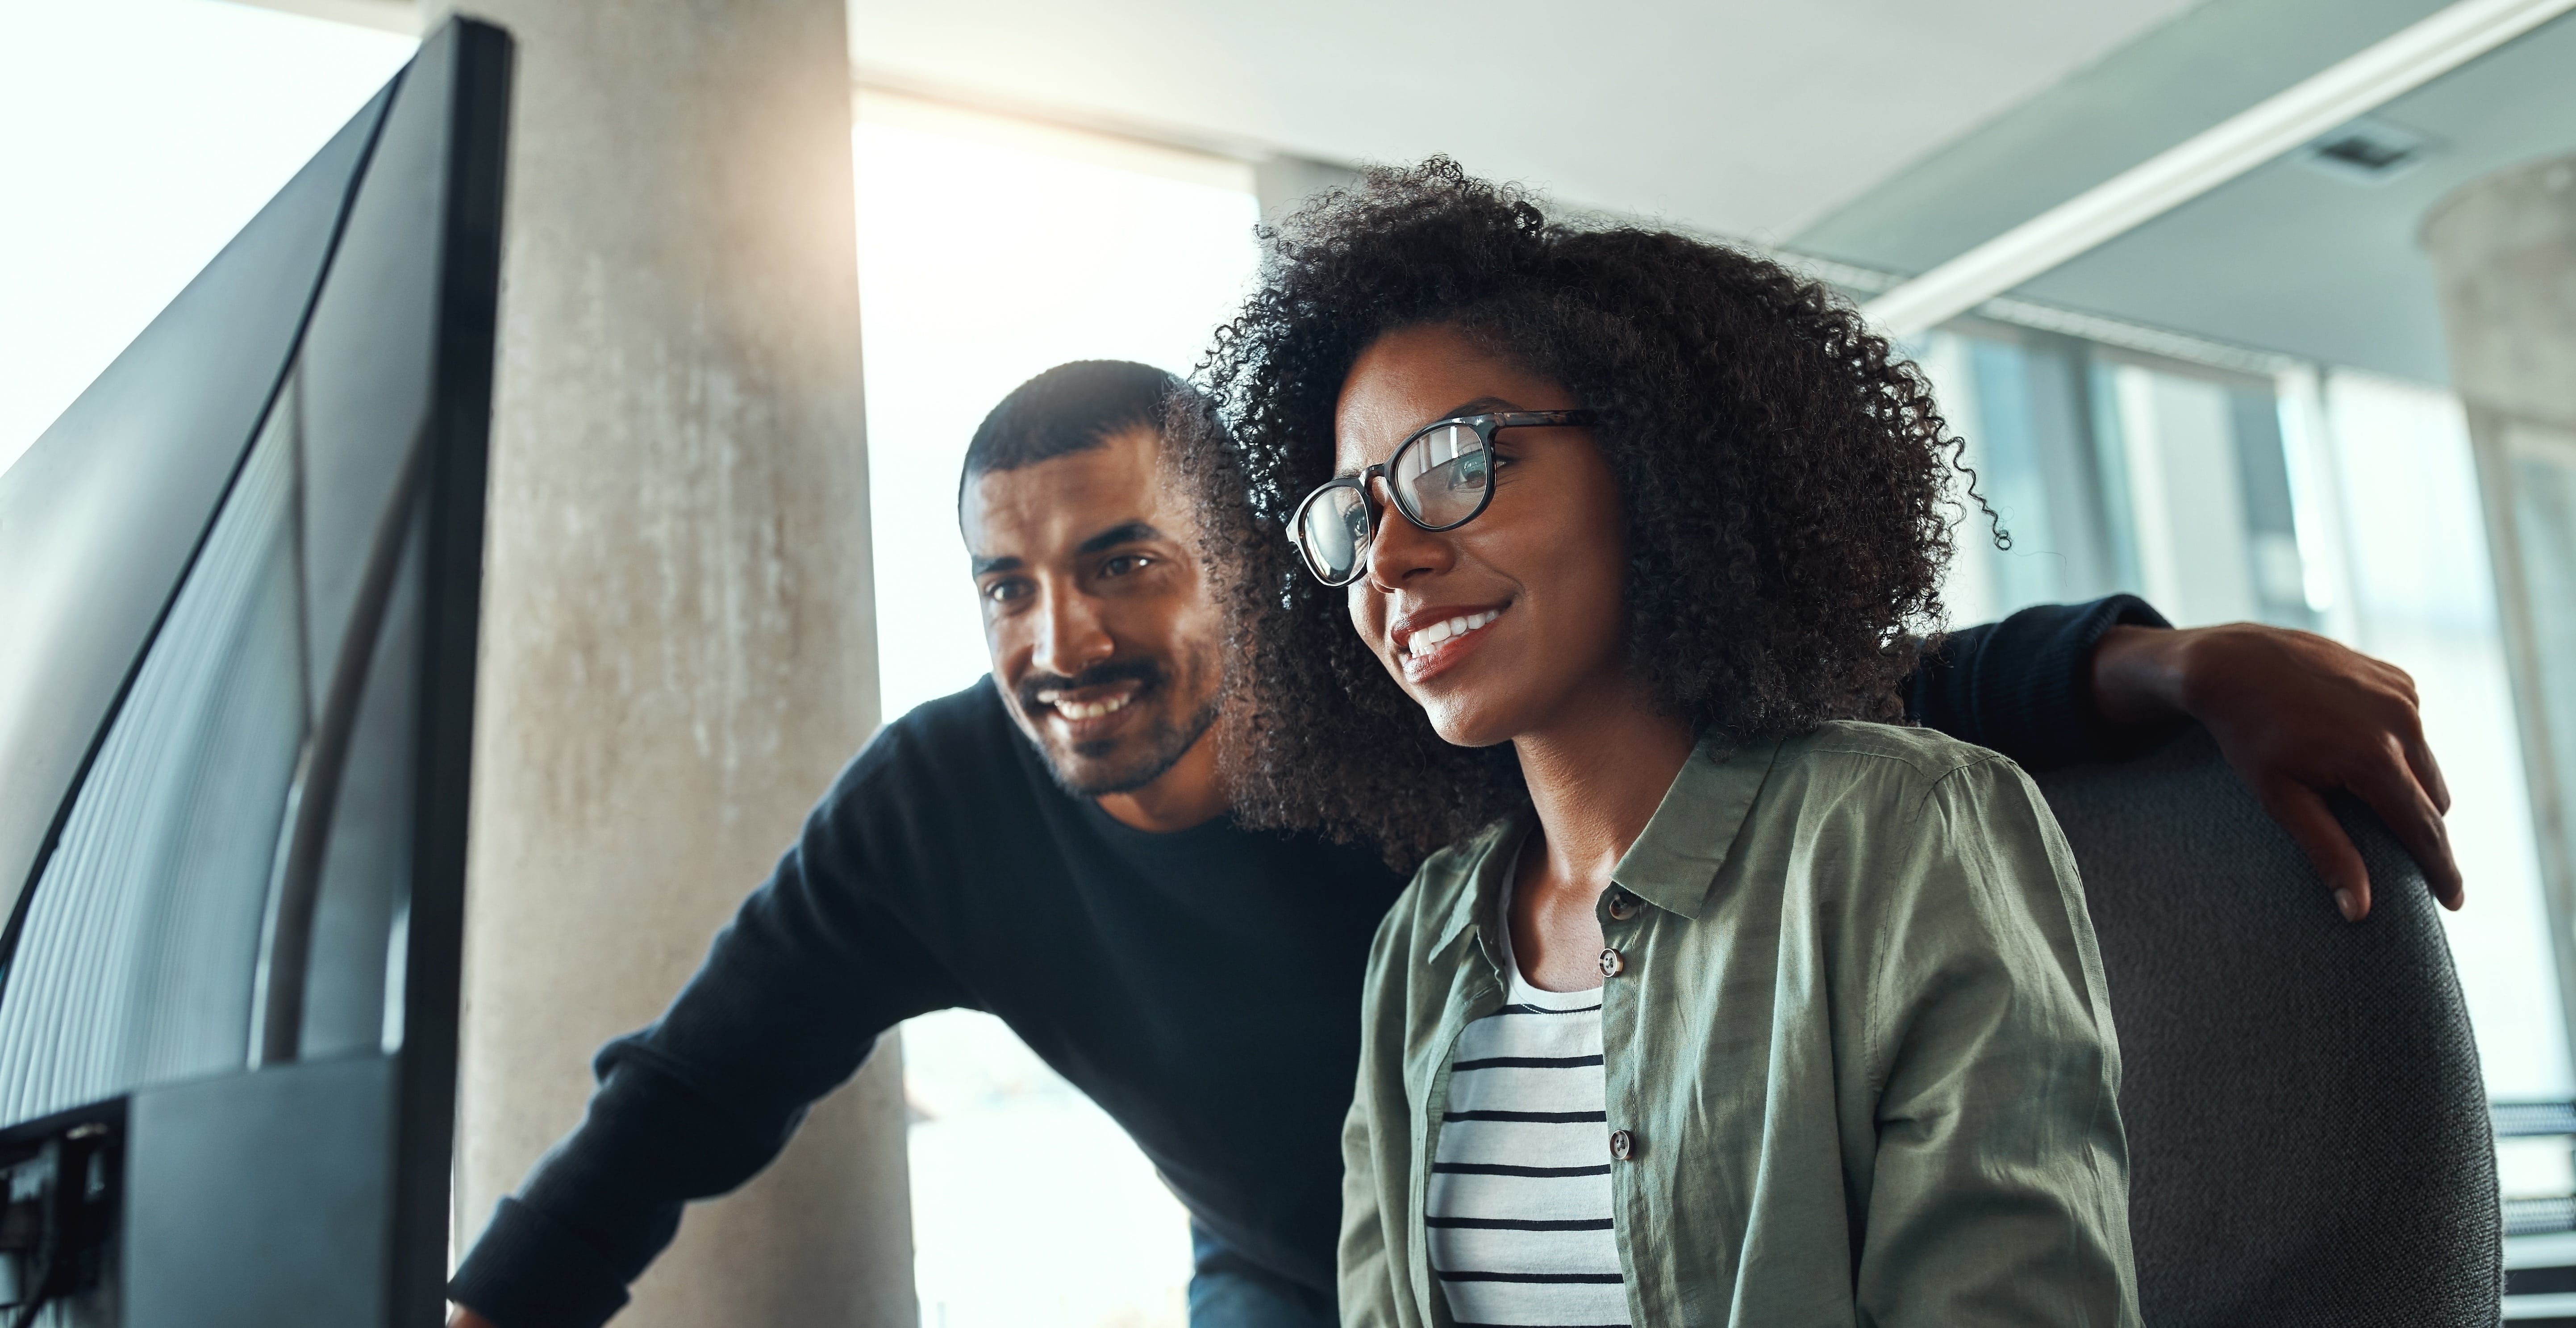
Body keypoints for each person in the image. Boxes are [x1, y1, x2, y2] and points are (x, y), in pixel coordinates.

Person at [446, 351, 2458, 1327]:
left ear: (1246, 565)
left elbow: (1855, 693)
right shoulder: (935, 807)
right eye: (1005, 587)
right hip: (1297, 1278)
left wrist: (2161, 668)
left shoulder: (1423, 711)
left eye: (1128, 563)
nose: (1061, 641)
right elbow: (684, 1099)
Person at [1181, 159, 2139, 1325]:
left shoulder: (1899, 828)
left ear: (1649, 459)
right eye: (1355, 511)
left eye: (1454, 466)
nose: (1388, 561)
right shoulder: (1422, 941)